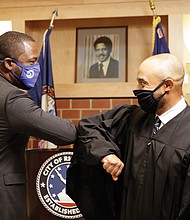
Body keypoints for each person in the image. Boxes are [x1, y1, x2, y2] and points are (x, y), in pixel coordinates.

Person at [67, 53, 190, 220]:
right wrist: (105, 152)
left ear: (167, 85)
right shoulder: (132, 118)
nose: (137, 90)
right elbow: (88, 126)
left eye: (143, 83)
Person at [0, 31, 77, 220]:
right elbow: (66, 134)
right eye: (31, 62)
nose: (37, 68)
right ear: (9, 64)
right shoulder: (11, 98)